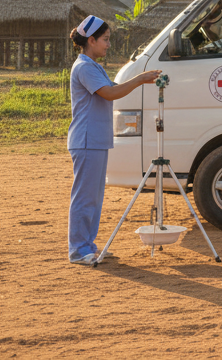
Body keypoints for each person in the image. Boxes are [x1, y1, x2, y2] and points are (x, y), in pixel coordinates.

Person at [67, 15, 161, 265]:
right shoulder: (84, 67)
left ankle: (88, 246)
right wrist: (140, 79)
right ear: (91, 40)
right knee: (85, 197)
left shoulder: (93, 66)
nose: (108, 45)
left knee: (93, 198)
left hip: (95, 140)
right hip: (86, 140)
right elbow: (109, 93)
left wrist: (141, 79)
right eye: (105, 40)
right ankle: (78, 250)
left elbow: (114, 87)